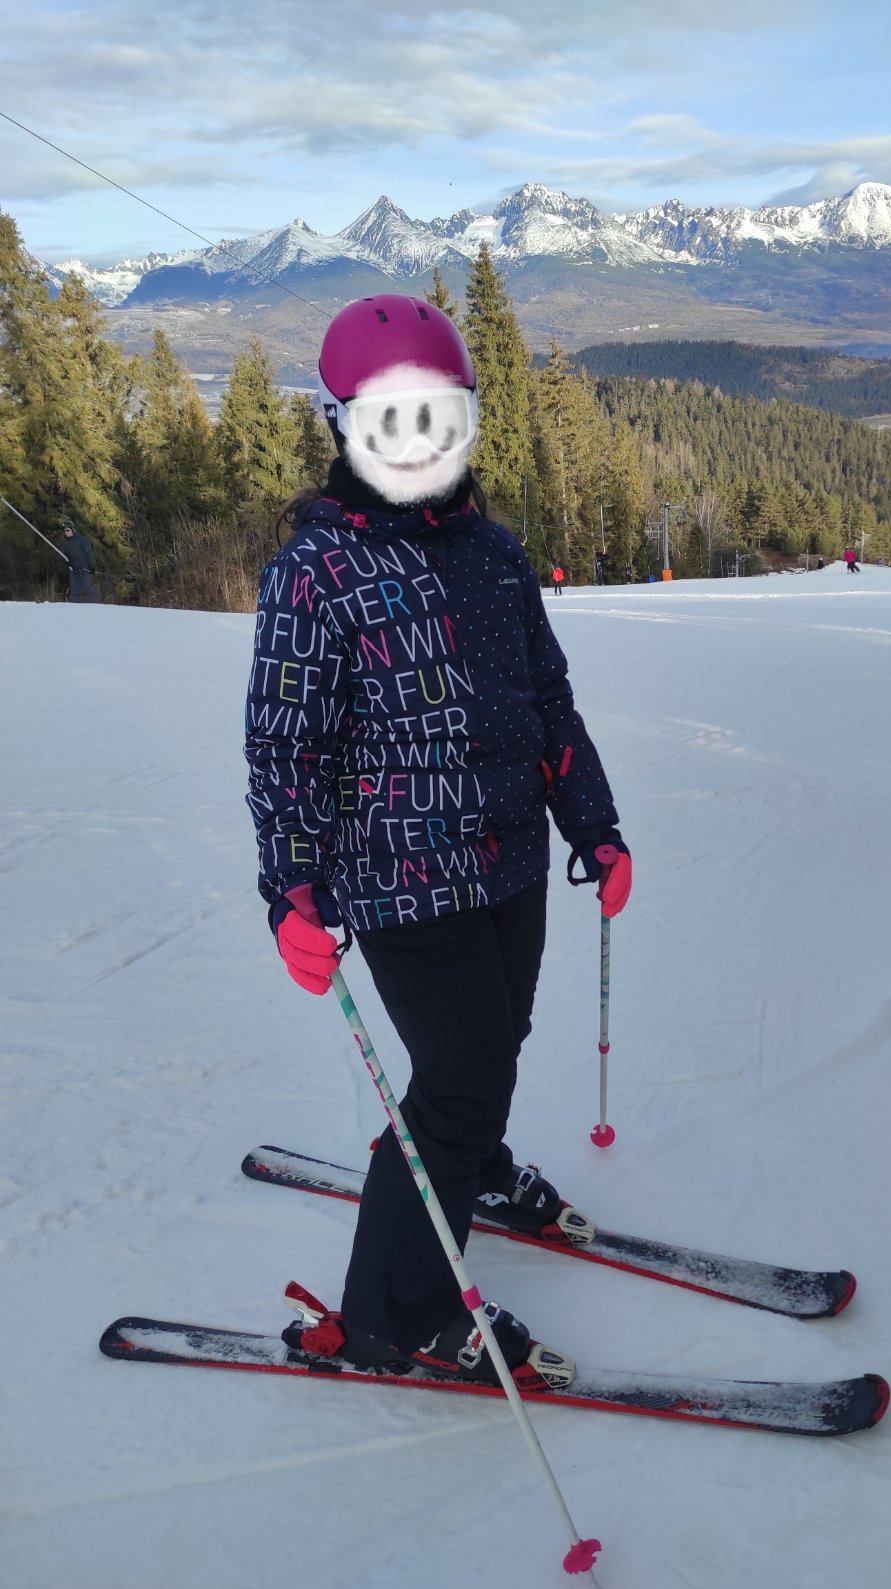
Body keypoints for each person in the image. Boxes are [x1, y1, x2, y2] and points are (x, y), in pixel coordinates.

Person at [245, 295, 631, 1388]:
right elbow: (285, 748)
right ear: (343, 426)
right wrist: (291, 890)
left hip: (510, 858)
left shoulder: (495, 553)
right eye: (390, 419)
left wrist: (595, 828)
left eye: (439, 417)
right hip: (399, 875)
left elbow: (547, 702)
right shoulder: (315, 575)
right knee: (461, 1075)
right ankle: (398, 1312)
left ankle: (473, 1164)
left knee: (494, 1045)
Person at [60, 519, 98, 602]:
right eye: (64, 531)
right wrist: (67, 563)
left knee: (88, 588)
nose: (66, 532)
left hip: (85, 569)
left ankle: (96, 605)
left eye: (68, 530)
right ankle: (76, 607)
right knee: (74, 590)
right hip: (73, 569)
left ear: (73, 529)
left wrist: (92, 566)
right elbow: (64, 556)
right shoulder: (65, 543)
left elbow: (89, 554)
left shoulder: (82, 540)